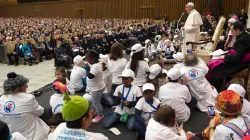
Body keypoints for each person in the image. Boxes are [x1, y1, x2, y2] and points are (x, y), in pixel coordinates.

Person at [0, 72, 49, 140]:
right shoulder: (28, 98)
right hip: (30, 136)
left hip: (10, 133)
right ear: (19, 88)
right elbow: (40, 112)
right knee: (47, 111)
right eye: (25, 85)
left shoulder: (2, 99)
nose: (27, 86)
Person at [210, 21, 250, 92]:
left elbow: (238, 56)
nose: (231, 33)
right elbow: (238, 49)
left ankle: (217, 90)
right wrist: (227, 52)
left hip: (241, 62)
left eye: (232, 31)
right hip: (239, 59)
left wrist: (225, 57)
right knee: (219, 65)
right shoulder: (244, 35)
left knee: (216, 69)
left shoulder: (242, 39)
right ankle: (222, 84)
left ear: (238, 30)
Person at [85, 50, 105, 123]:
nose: (87, 60)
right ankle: (94, 111)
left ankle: (100, 116)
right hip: (95, 87)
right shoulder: (95, 64)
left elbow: (90, 76)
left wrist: (86, 68)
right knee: (94, 101)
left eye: (88, 59)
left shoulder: (96, 66)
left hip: (96, 88)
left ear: (93, 59)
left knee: (96, 103)